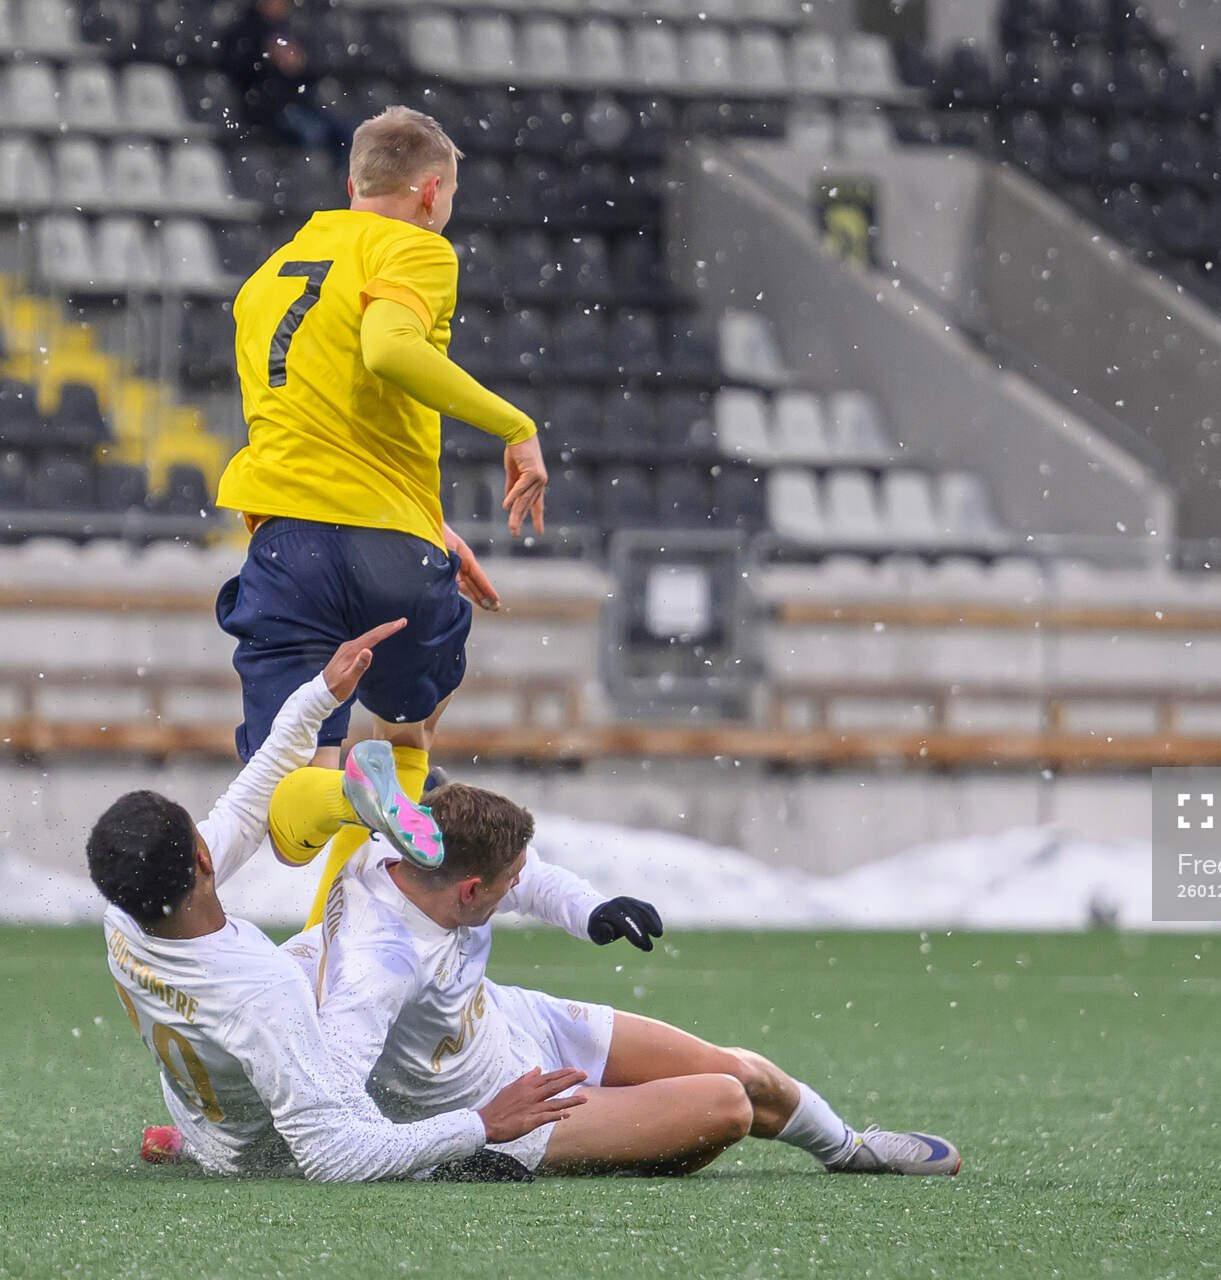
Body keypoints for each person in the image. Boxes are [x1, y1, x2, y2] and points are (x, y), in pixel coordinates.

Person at [87, 622, 584, 1182]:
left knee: (316, 956)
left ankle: (355, 803)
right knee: (341, 1001)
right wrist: (476, 1126)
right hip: (261, 1157)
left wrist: (321, 694)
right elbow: (332, 1155)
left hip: (208, 1115)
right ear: (202, 859)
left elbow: (247, 806)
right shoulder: (262, 993)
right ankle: (354, 805)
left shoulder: (124, 914)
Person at [213, 104, 549, 926]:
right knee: (404, 733)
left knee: (290, 804)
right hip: (389, 548)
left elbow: (324, 421)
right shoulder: (414, 246)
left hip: (288, 543)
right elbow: (391, 351)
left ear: (351, 183)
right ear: (432, 192)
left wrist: (428, 521)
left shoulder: (266, 280)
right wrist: (516, 426)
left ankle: (342, 808)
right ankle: (367, 920)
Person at [280, 782, 962, 1177]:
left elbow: (532, 875)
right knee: (727, 1105)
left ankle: (850, 1150)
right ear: (467, 892)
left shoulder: (401, 844)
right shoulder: (378, 970)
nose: (525, 887)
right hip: (510, 1108)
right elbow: (330, 1139)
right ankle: (540, 1157)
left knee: (740, 1072)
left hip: (511, 1021)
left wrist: (591, 909)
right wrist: (473, 1130)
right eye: (508, 885)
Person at [220, 0, 353, 157]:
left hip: (298, 103)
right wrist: (267, 57)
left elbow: (311, 71)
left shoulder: (291, 30)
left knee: (345, 136)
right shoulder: (245, 31)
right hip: (266, 107)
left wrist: (299, 62)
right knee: (311, 134)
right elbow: (239, 68)